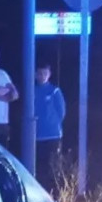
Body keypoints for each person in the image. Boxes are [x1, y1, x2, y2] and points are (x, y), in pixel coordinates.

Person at [33, 61, 66, 189]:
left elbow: (61, 111)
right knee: (39, 167)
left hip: (52, 135)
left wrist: (53, 123)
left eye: (45, 73)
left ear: (49, 74)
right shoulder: (32, 90)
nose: (42, 76)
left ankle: (54, 192)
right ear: (35, 74)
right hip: (36, 135)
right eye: (40, 73)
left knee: (53, 167)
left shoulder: (54, 91)